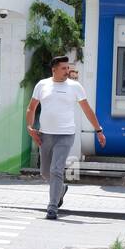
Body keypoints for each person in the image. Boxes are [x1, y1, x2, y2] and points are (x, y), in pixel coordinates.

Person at [27, 55, 105, 220]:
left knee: (56, 170)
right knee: (45, 172)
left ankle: (52, 207)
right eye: (63, 68)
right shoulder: (42, 85)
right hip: (45, 134)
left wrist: (98, 130)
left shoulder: (75, 87)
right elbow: (31, 108)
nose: (67, 71)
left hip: (66, 135)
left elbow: (87, 110)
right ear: (53, 69)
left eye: (68, 68)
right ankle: (61, 189)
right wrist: (30, 127)